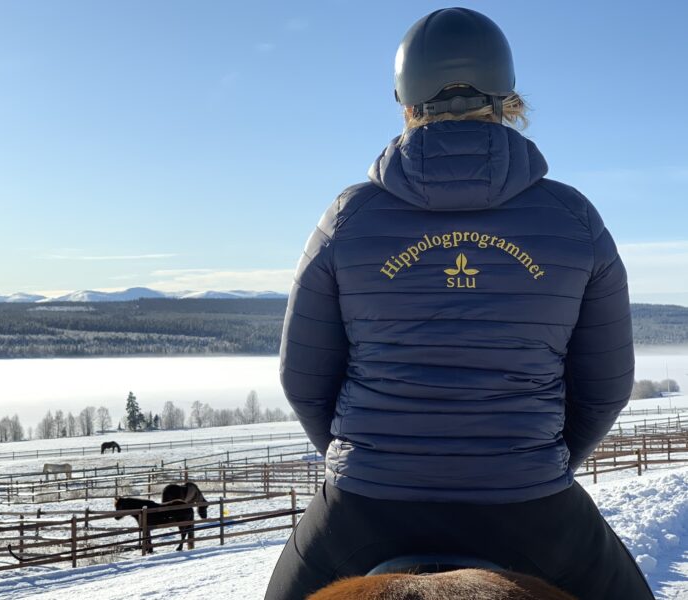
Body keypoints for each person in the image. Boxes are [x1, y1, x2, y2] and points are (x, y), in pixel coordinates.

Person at [266, 7, 654, 600]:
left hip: (368, 506)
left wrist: (369, 458)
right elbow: (605, 385)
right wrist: (536, 460)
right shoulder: (574, 219)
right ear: (506, 96)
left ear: (406, 99)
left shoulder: (348, 217)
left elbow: (303, 379)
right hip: (529, 506)